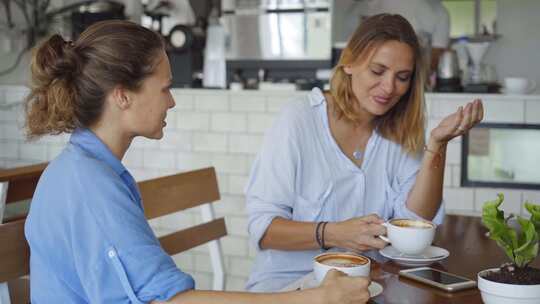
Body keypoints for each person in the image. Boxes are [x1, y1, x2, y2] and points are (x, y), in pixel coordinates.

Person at [23, 20, 370, 304]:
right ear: (122, 95)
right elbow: (169, 302)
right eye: (164, 89)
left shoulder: (86, 170)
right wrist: (314, 299)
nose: (171, 102)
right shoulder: (89, 185)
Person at [245, 13, 483, 292]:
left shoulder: (398, 131)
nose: (389, 87)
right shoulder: (298, 120)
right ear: (349, 62)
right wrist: (334, 233)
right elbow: (263, 229)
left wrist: (437, 146)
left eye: (402, 77)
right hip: (289, 287)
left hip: (366, 286)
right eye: (378, 71)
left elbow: (416, 223)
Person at [366, 0, 451, 72]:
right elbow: (436, 58)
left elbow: (436, 58)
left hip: (414, 78)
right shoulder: (439, 11)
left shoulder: (439, 11)